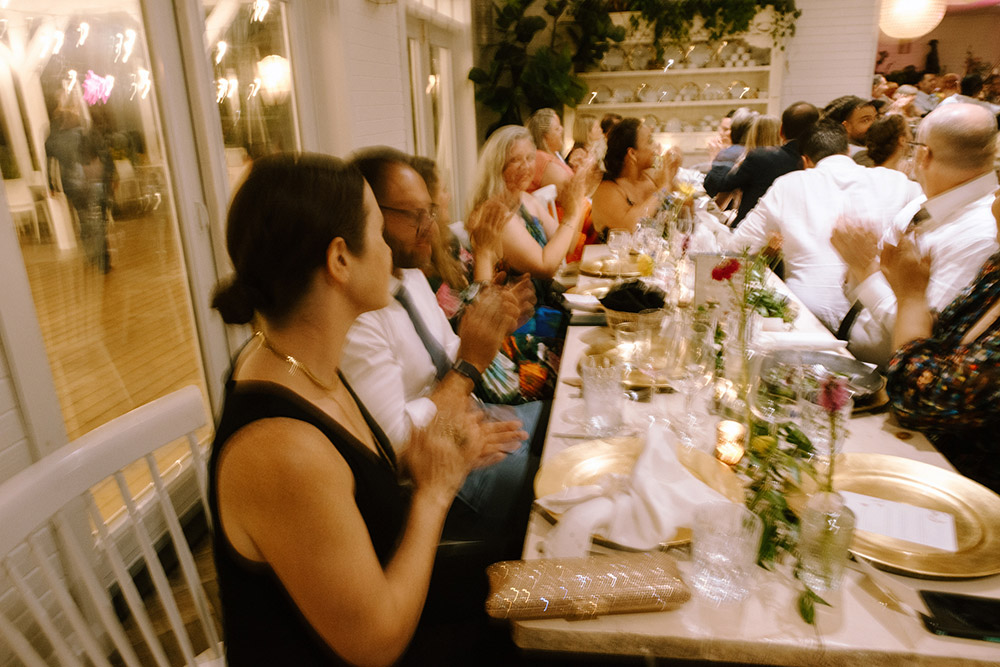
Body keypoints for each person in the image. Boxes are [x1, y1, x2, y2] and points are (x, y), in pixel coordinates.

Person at [208, 153, 499, 665]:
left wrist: (438, 453)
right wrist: (435, 492)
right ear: (340, 259)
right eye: (377, 231)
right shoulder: (281, 448)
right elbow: (376, 642)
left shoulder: (305, 361)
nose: (390, 248)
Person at [340, 146, 538, 542]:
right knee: (559, 474)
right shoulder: (358, 316)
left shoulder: (409, 276)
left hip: (473, 422)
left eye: (430, 210)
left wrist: (492, 329)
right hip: (441, 473)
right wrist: (469, 368)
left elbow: (452, 355)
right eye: (415, 215)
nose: (431, 226)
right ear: (369, 216)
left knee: (571, 425)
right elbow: (395, 446)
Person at [832, 103, 999, 368]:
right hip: (853, 353)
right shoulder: (921, 203)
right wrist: (864, 268)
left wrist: (864, 270)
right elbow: (879, 277)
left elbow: (924, 336)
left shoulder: (982, 232)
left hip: (895, 382)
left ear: (924, 154)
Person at [726, 119, 921, 332]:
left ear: (805, 160)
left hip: (808, 320)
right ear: (847, 151)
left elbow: (738, 248)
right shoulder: (899, 182)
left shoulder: (789, 184)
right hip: (880, 323)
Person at [882, 188, 1000, 494]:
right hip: (925, 461)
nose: (996, 193)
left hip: (972, 496)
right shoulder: (996, 267)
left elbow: (918, 397)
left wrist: (910, 297)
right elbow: (942, 339)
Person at [469, 125, 588, 278]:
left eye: (530, 158)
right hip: (524, 302)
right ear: (497, 165)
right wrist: (571, 214)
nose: (525, 166)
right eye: (515, 160)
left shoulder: (526, 199)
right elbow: (544, 267)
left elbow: (569, 246)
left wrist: (577, 198)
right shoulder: (495, 212)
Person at [707, 102, 819, 228]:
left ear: (781, 131)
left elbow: (723, 186)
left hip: (751, 231)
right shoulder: (819, 162)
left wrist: (715, 159)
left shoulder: (757, 157)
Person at [590, 117, 681, 237]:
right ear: (632, 153)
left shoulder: (652, 177)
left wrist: (672, 173)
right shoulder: (606, 191)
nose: (656, 146)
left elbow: (686, 209)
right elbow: (632, 228)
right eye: (650, 141)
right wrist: (664, 187)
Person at [525, 108, 574, 193]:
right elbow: (569, 193)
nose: (562, 130)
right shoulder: (540, 158)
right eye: (557, 128)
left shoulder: (555, 155)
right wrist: (583, 171)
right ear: (545, 136)